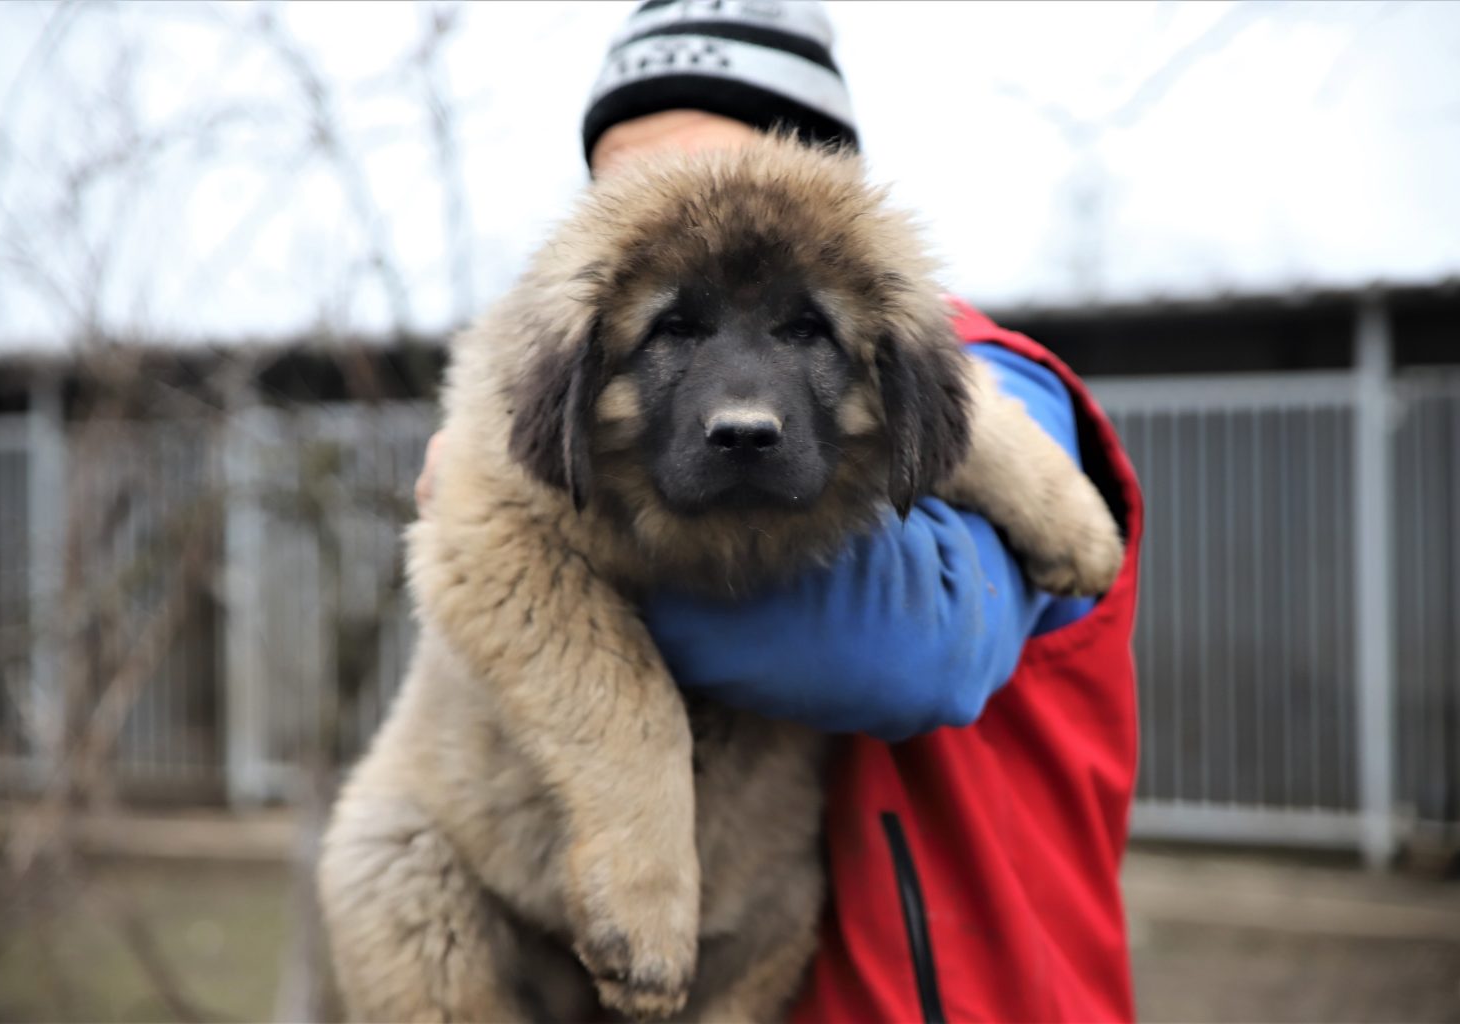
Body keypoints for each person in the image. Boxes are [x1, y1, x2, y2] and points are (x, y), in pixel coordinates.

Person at [418, 3, 1145, 1020]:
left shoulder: (994, 379)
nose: (682, 205)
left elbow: (916, 650)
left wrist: (522, 551)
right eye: (633, 184)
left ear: (828, 186)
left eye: (720, 167)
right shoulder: (577, 373)